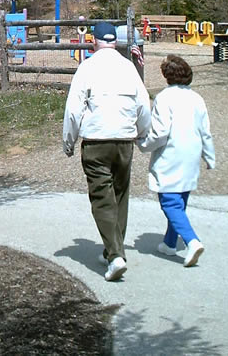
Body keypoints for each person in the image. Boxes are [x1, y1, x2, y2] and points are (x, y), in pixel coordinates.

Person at [63, 22, 151, 281]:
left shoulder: (87, 68)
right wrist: (142, 134)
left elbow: (73, 110)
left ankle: (115, 256)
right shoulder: (128, 67)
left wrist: (68, 141)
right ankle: (114, 248)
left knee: (101, 197)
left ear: (94, 41)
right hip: (124, 139)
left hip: (96, 141)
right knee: (120, 195)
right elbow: (143, 105)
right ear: (115, 42)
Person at [137, 54, 215, 267]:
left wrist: (143, 144)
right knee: (180, 199)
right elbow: (205, 131)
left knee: (170, 202)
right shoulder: (197, 98)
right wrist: (209, 156)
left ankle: (191, 240)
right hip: (191, 153)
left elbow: (160, 132)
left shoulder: (164, 98)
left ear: (166, 76)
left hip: (171, 154)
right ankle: (170, 243)